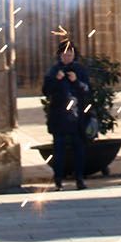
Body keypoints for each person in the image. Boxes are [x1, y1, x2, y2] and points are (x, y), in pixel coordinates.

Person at [41, 39, 94, 190]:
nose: (67, 57)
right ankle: (58, 180)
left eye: (70, 54)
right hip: (59, 118)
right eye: (64, 55)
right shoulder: (54, 71)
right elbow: (46, 91)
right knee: (59, 150)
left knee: (79, 150)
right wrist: (56, 80)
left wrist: (76, 81)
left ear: (74, 55)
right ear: (60, 55)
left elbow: (87, 90)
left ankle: (79, 179)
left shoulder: (79, 70)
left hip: (77, 117)